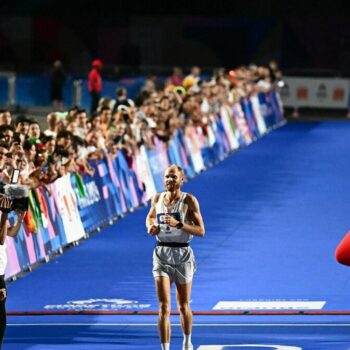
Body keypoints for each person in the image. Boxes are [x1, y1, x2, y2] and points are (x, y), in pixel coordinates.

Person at [146, 164, 205, 350]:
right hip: (161, 253)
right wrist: (151, 226)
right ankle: (165, 348)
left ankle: (187, 343)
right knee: (163, 306)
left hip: (182, 254)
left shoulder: (189, 201)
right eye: (166, 177)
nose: (169, 180)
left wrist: (180, 225)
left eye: (173, 177)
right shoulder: (157, 198)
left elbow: (201, 231)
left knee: (182, 305)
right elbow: (150, 217)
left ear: (181, 180)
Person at [0, 194, 26, 349]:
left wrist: (20, 219)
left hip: (1, 273)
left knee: (1, 320)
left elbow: (12, 233)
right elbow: (1, 238)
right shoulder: (2, 214)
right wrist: (4, 214)